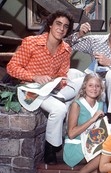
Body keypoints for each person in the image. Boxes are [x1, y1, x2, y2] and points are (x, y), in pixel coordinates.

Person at [6, 10, 78, 165]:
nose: (61, 28)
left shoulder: (66, 49)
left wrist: (58, 83)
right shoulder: (31, 42)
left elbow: (62, 73)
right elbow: (12, 67)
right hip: (29, 90)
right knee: (59, 109)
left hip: (51, 90)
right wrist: (34, 77)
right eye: (58, 24)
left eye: (65, 26)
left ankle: (60, 98)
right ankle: (51, 148)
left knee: (77, 74)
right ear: (50, 25)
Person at [66, 10, 111, 120]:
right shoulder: (95, 40)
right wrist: (79, 34)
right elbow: (65, 45)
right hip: (93, 81)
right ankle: (66, 112)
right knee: (72, 72)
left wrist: (110, 63)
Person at [61, 74, 105, 173]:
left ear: (101, 89)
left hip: (92, 145)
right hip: (76, 147)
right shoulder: (77, 104)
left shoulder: (100, 105)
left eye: (97, 86)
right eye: (90, 85)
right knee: (106, 155)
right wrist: (92, 119)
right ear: (84, 87)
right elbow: (71, 133)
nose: (94, 89)